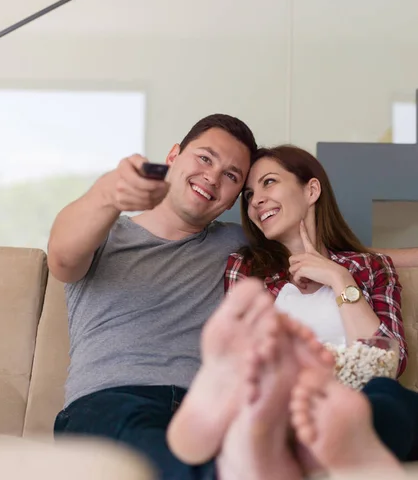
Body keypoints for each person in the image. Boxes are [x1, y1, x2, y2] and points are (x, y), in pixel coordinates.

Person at [49, 123, 418, 480]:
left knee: (388, 397)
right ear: (174, 156)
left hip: (210, 407)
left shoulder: (237, 245)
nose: (213, 177)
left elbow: (322, 246)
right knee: (162, 457)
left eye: (231, 177)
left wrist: (342, 271)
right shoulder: (104, 232)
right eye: (205, 159)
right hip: (117, 399)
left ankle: (305, 451)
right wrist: (108, 194)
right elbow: (62, 258)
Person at [167, 145, 418, 470]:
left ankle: (333, 440)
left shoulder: (369, 267)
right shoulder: (245, 268)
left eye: (269, 182)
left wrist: (340, 280)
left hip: (365, 399)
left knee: (387, 395)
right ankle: (286, 440)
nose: (255, 200)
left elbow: (388, 363)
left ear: (311, 190)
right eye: (249, 194)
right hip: (289, 399)